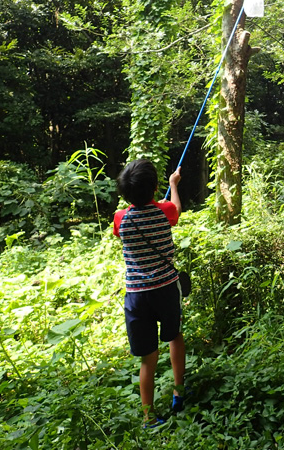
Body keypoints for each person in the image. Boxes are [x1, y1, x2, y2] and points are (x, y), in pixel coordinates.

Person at [113, 159, 185, 427]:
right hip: (166, 289)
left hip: (136, 296)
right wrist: (173, 185)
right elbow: (176, 210)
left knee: (148, 358)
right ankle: (179, 392)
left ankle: (148, 416)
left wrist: (148, 204)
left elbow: (120, 232)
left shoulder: (120, 218)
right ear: (155, 187)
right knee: (175, 337)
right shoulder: (165, 211)